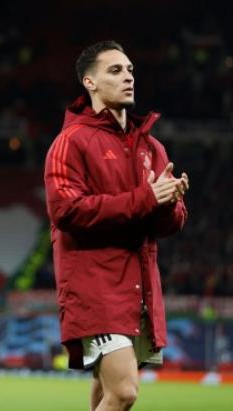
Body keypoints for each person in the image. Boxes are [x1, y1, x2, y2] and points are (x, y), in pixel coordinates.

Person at [44, 40, 189, 411]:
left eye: (130, 71)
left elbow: (169, 223)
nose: (127, 77)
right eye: (115, 71)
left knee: (105, 392)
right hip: (95, 287)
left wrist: (168, 203)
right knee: (124, 392)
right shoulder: (70, 142)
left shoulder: (152, 147)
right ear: (89, 83)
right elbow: (67, 211)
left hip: (140, 287)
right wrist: (147, 198)